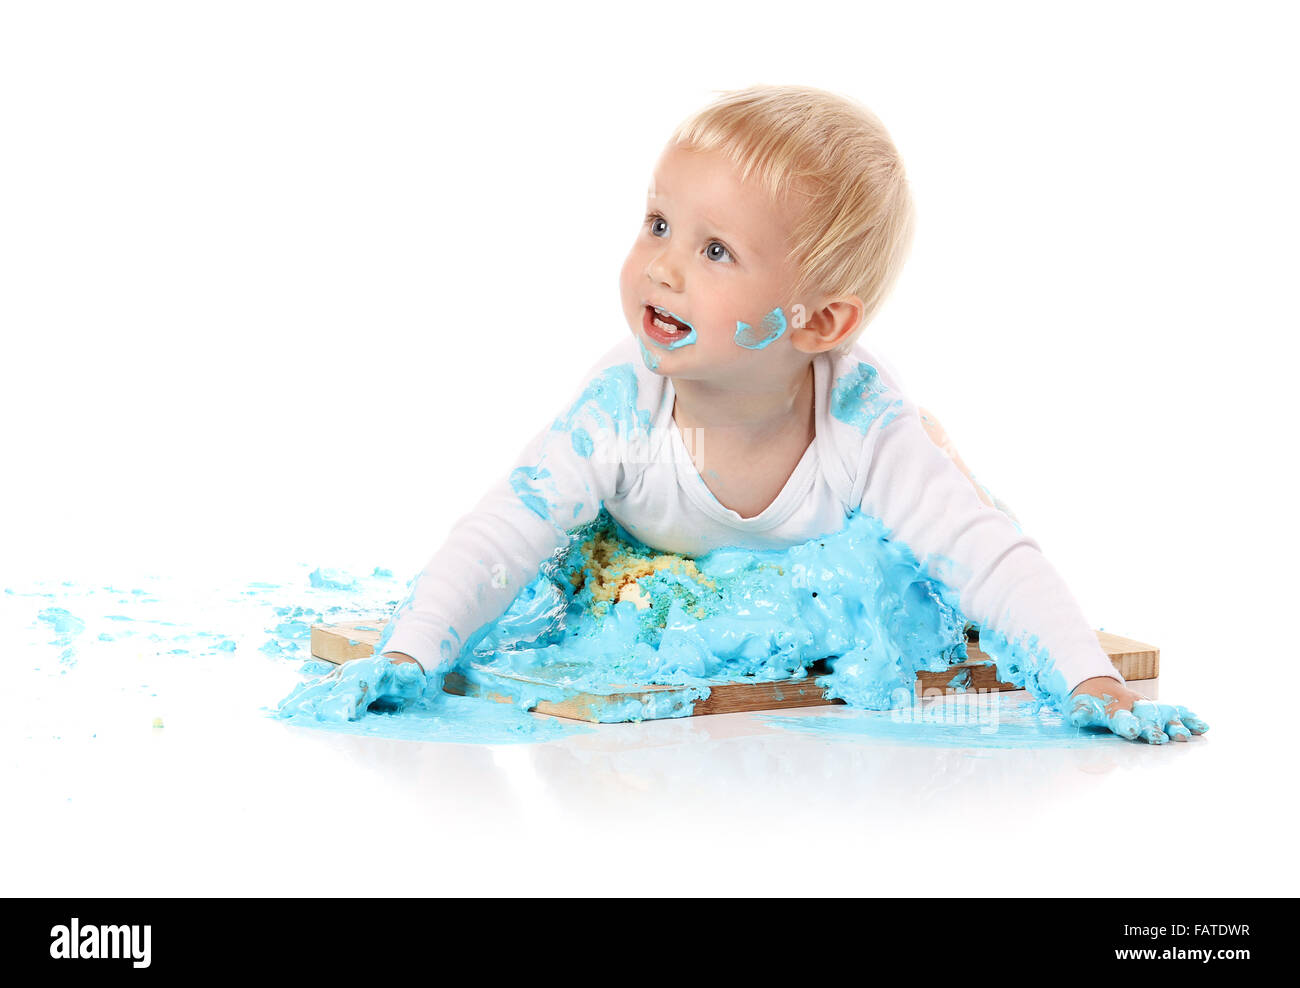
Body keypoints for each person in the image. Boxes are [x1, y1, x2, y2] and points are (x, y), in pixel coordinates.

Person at [286, 85, 1205, 744]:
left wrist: (1091, 679)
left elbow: (988, 552)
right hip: (656, 553)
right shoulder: (624, 404)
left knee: (942, 483)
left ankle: (943, 448)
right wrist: (408, 654)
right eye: (657, 224)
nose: (664, 267)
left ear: (819, 320)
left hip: (859, 517)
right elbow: (503, 533)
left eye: (715, 249)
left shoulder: (858, 420)